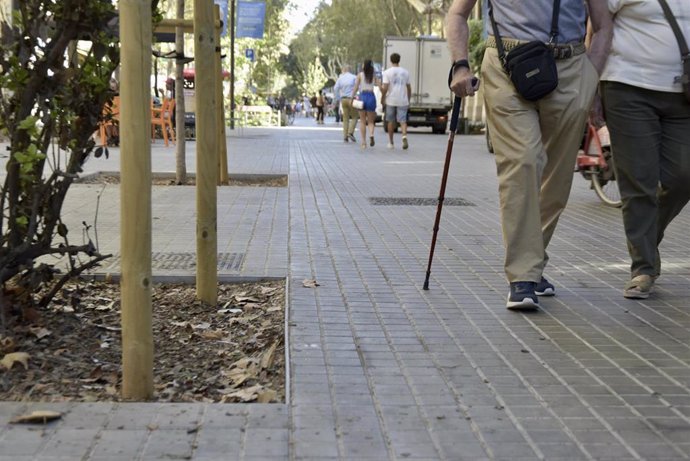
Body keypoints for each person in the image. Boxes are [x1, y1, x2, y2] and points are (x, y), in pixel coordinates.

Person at [446, 0, 612, 309]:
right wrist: (460, 64)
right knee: (523, 161)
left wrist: (592, 77)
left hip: (571, 69)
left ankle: (532, 263)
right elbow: (457, 13)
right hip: (506, 65)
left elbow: (602, 26)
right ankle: (522, 275)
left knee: (557, 179)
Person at [599, 1, 690, 299]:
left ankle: (647, 241)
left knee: (683, 177)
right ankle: (643, 268)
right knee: (639, 180)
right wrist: (591, 88)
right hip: (628, 87)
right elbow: (598, 26)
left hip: (685, 92)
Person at [381, 52, 411, 150]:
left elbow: (385, 87)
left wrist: (383, 98)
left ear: (391, 60)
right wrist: (408, 98)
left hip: (391, 100)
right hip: (403, 99)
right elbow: (409, 87)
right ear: (399, 60)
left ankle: (391, 142)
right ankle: (404, 136)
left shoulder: (387, 72)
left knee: (390, 121)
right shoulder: (405, 72)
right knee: (403, 121)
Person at [351, 59, 379, 149]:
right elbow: (380, 85)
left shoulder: (360, 75)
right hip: (371, 96)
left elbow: (355, 87)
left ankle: (363, 142)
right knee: (371, 121)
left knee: (363, 121)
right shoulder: (373, 76)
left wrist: (352, 97)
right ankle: (371, 134)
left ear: (364, 66)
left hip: (362, 96)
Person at [334, 64, 358, 143]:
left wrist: (338, 98)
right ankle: (350, 132)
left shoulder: (340, 78)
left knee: (345, 119)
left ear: (343, 70)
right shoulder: (354, 77)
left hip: (343, 99)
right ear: (349, 69)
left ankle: (345, 137)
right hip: (351, 99)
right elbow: (358, 87)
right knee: (354, 116)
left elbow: (336, 88)